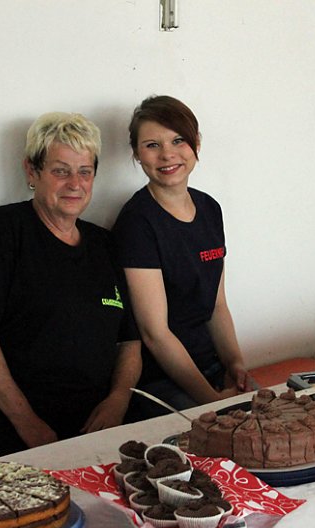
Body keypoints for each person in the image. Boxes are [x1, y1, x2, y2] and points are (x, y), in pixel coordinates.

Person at [0, 112, 141, 464]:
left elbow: (129, 341)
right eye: (60, 170)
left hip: (88, 419)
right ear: (32, 172)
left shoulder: (103, 244)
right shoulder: (4, 231)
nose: (74, 184)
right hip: (1, 419)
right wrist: (28, 423)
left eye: (85, 171)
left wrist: (117, 401)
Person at [112, 95, 254, 420]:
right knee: (227, 443)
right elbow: (155, 334)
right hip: (160, 378)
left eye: (178, 140)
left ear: (196, 143)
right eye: (151, 145)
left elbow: (216, 306)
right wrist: (213, 402)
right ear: (136, 153)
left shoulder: (209, 208)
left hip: (211, 365)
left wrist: (236, 364)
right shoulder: (137, 222)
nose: (167, 154)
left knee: (277, 428)